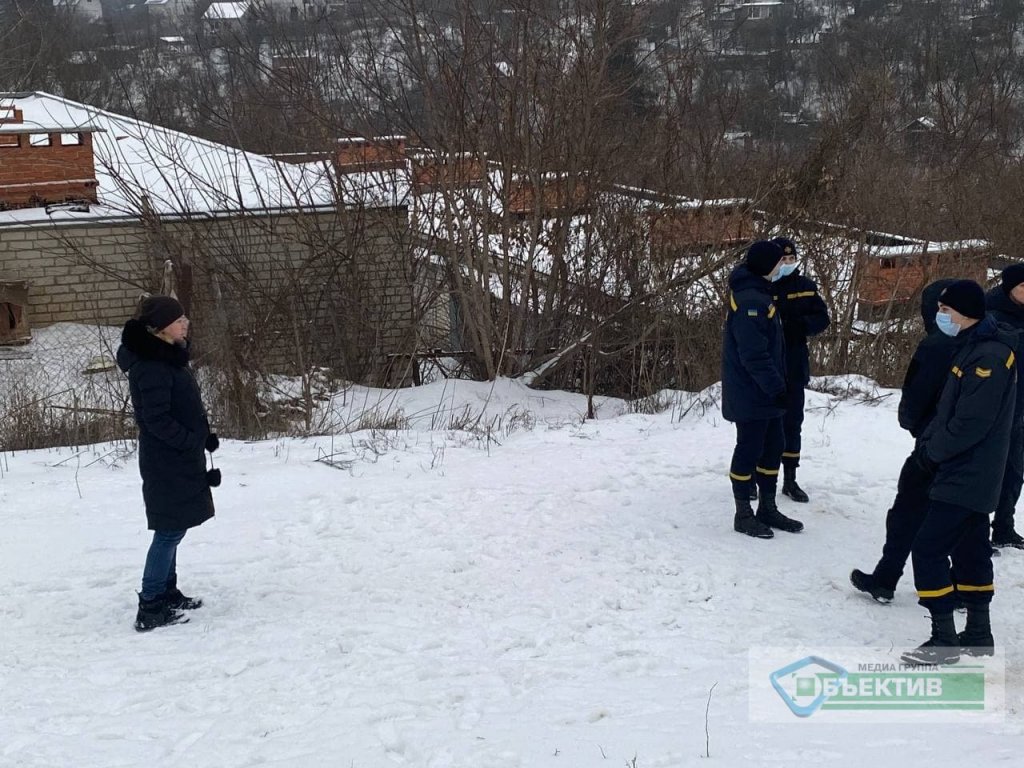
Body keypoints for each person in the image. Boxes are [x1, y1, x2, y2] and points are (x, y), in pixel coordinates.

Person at [900, 280, 1016, 665]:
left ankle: (943, 639)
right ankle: (979, 632)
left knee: (928, 547)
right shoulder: (971, 346)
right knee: (971, 546)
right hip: (966, 469)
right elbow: (948, 408)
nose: (941, 316)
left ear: (965, 312)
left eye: (946, 310)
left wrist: (933, 453)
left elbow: (970, 422)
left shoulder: (990, 358)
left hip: (968, 470)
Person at [116, 296, 221, 632]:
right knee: (168, 531)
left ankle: (167, 592)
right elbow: (156, 420)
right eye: (179, 320)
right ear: (160, 329)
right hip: (166, 461)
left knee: (175, 526)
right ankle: (150, 606)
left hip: (178, 458)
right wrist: (192, 441)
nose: (185, 323)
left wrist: (201, 438)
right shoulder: (151, 366)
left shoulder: (167, 358)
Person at [850, 279, 958, 603]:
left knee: (909, 512)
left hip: (933, 444)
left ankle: (889, 579)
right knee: (955, 518)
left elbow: (915, 395)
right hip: (969, 448)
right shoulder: (987, 341)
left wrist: (914, 425)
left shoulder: (937, 346)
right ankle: (958, 586)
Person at [721, 240, 805, 539]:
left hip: (768, 393)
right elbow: (753, 354)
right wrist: (775, 387)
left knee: (773, 447)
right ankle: (743, 512)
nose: (784, 266)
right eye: (779, 262)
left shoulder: (762, 292)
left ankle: (767, 507)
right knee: (749, 448)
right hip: (752, 393)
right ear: (767, 265)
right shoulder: (751, 300)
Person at [770, 237, 830, 502]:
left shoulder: (805, 286)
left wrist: (800, 325)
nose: (787, 264)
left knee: (792, 423)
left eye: (791, 259)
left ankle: (790, 479)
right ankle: (752, 476)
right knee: (762, 424)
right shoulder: (761, 284)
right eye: (782, 260)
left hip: (794, 363)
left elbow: (822, 318)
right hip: (767, 364)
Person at [984, 263, 1024, 549]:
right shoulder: (991, 314)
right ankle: (971, 529)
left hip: (1020, 404)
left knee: (1014, 468)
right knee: (985, 468)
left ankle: (1004, 525)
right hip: (993, 404)